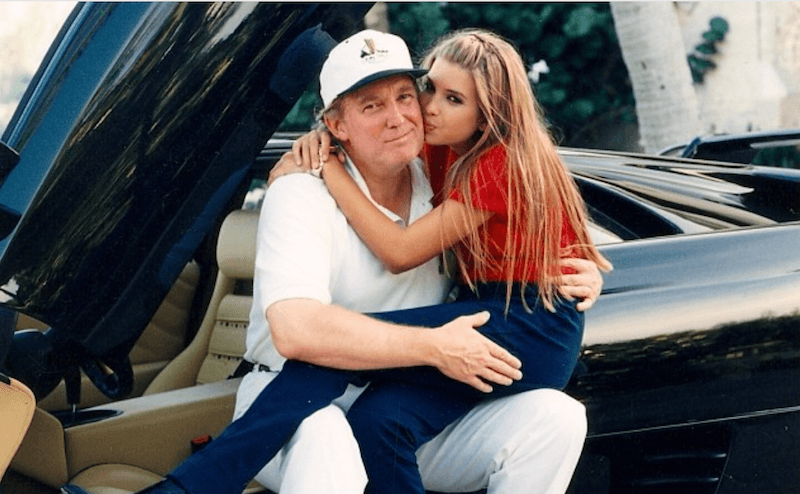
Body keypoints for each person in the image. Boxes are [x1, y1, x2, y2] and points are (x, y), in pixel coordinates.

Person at [139, 29, 603, 494]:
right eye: (372, 105)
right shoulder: (312, 190)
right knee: (356, 410)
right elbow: (299, 333)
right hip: (313, 402)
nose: (406, 116)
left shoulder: (454, 166)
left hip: (495, 332)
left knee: (557, 415)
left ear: (485, 116)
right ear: (337, 125)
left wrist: (584, 271)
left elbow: (409, 250)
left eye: (406, 95)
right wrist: (319, 148)